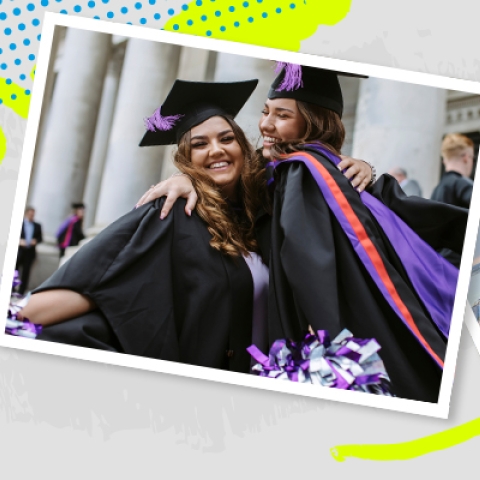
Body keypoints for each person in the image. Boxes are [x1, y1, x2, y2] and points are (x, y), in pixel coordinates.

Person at [139, 63, 467, 403]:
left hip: (316, 335)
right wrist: (188, 178)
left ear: (312, 122)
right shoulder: (299, 171)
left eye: (282, 115)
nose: (265, 124)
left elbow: (308, 260)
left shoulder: (301, 171)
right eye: (266, 112)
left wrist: (324, 341)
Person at [13, 79, 274, 373]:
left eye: (226, 139)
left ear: (242, 145)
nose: (216, 150)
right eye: (199, 144)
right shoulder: (174, 211)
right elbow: (104, 279)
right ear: (186, 159)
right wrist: (16, 322)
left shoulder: (262, 212)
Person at [431, 133, 474, 208]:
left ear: (444, 161)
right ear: (466, 158)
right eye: (472, 157)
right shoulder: (464, 185)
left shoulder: (436, 190)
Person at [16, 206, 43, 294]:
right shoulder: (19, 223)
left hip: (30, 252)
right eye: (30, 214)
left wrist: (35, 241)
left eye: (33, 214)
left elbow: (40, 238)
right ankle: (11, 288)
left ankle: (21, 292)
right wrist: (19, 241)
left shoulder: (37, 225)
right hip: (19, 251)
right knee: (15, 270)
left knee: (26, 273)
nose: (32, 216)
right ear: (26, 214)